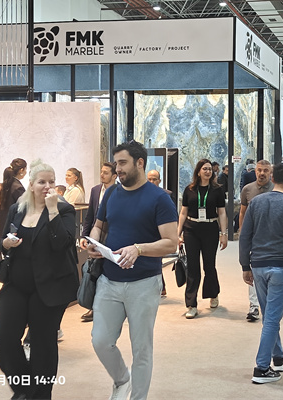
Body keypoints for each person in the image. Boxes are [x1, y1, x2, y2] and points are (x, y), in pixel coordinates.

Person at [87, 141, 178, 400]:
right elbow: (99, 226)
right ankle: (122, 379)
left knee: (141, 349)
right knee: (100, 340)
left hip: (144, 283)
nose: (118, 169)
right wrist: (94, 242)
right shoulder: (111, 194)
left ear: (140, 163)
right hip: (109, 280)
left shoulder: (160, 198)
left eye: (123, 163)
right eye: (116, 163)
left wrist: (139, 249)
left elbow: (171, 243)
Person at [0, 159, 79, 400]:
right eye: (42, 182)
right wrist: (6, 243)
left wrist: (52, 211)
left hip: (50, 286)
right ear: (31, 185)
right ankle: (26, 390)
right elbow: (3, 240)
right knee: (3, 337)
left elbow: (62, 243)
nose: (47, 186)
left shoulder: (64, 210)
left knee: (43, 343)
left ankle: (39, 395)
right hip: (17, 284)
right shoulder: (17, 209)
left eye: (52, 182)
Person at [239, 162, 283, 384]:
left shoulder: (256, 202)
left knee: (269, 316)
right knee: (271, 319)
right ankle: (261, 368)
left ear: (273, 177)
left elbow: (245, 236)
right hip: (281, 266)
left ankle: (278, 357)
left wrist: (245, 265)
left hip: (258, 265)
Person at [178, 159, 228, 318]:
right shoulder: (189, 189)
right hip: (191, 229)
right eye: (204, 169)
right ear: (198, 171)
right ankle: (191, 305)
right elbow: (183, 212)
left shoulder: (217, 190)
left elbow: (222, 213)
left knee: (209, 265)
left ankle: (213, 294)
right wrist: (178, 234)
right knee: (193, 267)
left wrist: (224, 233)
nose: (208, 171)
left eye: (210, 169)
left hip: (210, 229)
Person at [79, 162, 118, 322]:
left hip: (111, 236)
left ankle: (107, 305)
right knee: (93, 270)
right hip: (96, 235)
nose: (102, 175)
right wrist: (84, 236)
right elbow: (90, 215)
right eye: (101, 172)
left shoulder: (119, 191)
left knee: (106, 271)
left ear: (114, 176)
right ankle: (93, 306)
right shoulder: (95, 190)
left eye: (106, 173)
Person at [239, 159, 273, 321]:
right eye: (259, 170)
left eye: (265, 170)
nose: (262, 173)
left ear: (270, 173)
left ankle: (269, 304)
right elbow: (242, 212)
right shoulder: (247, 189)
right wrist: (242, 232)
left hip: (273, 236)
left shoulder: (276, 189)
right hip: (253, 236)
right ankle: (254, 306)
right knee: (252, 269)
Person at [0, 158, 27, 271]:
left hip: (3, 222)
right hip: (14, 224)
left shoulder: (5, 185)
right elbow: (23, 208)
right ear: (21, 170)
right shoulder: (18, 187)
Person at [146, 169, 172, 297]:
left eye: (154, 179)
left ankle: (160, 288)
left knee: (156, 260)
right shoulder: (141, 194)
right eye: (149, 179)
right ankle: (160, 288)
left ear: (159, 181)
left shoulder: (166, 196)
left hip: (160, 234)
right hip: (145, 232)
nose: (151, 182)